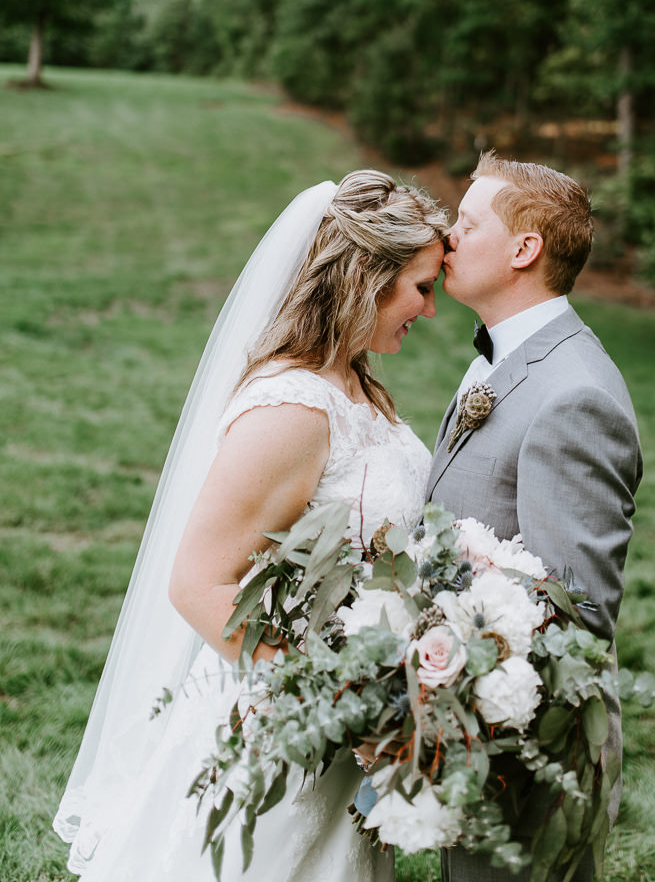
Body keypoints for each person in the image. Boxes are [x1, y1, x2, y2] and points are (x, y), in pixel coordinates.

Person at [53, 169, 448, 882]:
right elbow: (199, 583)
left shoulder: (354, 385)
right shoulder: (292, 409)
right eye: (421, 287)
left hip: (340, 722)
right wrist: (332, 700)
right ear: (365, 275)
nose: (428, 308)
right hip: (285, 726)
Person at [428, 151, 643, 882]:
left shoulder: (572, 396)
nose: (444, 234)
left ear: (524, 250)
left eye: (465, 222)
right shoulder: (506, 355)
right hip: (473, 724)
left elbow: (574, 618)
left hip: (527, 750)